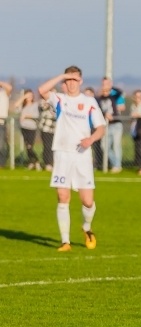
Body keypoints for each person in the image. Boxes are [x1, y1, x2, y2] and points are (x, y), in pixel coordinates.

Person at [38, 66, 107, 252]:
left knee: (87, 201)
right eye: (68, 80)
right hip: (62, 153)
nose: (71, 84)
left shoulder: (89, 101)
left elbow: (101, 127)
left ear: (81, 81)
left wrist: (91, 139)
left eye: (75, 80)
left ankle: (86, 227)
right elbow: (42, 90)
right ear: (64, 82)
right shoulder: (59, 99)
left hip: (82, 156)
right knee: (62, 196)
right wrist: (61, 75)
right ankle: (65, 242)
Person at [97, 77, 125, 172]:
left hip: (116, 124)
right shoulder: (99, 98)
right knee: (104, 146)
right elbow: (98, 109)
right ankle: (114, 163)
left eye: (106, 84)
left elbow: (120, 91)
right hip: (106, 125)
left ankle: (117, 166)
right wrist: (105, 115)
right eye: (103, 84)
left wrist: (110, 87)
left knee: (116, 145)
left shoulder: (114, 96)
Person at [14, 89, 41, 170]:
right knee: (27, 146)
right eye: (28, 96)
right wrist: (23, 97)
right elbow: (16, 105)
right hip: (24, 127)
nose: (29, 97)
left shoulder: (35, 105)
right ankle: (32, 162)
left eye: (31, 96)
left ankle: (36, 161)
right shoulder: (23, 106)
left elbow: (36, 116)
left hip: (31, 128)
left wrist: (26, 116)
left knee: (30, 146)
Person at [0, 79, 11, 167]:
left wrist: (1, 83)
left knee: (1, 144)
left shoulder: (4, 94)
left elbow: (9, 87)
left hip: (1, 122)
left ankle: (1, 163)